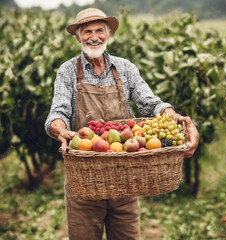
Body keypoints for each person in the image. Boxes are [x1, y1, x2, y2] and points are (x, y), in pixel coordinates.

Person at [45, 8, 199, 240]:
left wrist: (175, 117)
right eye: (87, 31)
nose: (94, 36)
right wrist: (60, 129)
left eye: (99, 30)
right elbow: (58, 111)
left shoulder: (125, 68)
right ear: (78, 37)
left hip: (126, 181)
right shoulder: (67, 71)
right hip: (85, 183)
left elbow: (151, 103)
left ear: (108, 34)